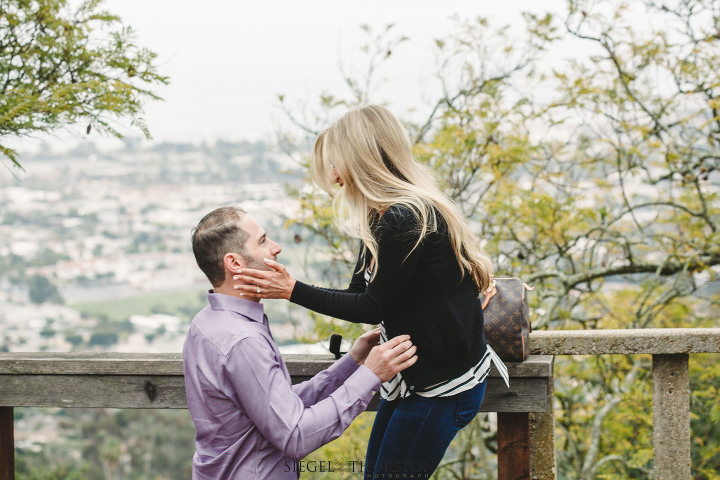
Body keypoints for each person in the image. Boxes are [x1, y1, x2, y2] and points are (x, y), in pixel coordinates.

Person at [232, 105, 509, 478]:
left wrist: (292, 289)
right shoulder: (380, 216)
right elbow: (358, 293)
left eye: (336, 162)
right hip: (411, 379)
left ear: (360, 159)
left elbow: (370, 304)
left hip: (442, 388)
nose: (332, 176)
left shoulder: (405, 218)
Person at [183, 205, 418, 479]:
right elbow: (295, 435)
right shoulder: (242, 341)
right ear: (235, 263)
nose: (276, 247)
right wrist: (370, 376)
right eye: (262, 241)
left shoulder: (207, 323)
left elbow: (276, 408)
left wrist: (351, 364)